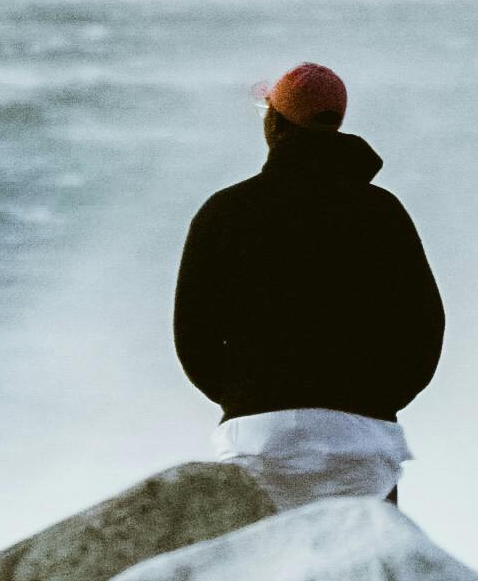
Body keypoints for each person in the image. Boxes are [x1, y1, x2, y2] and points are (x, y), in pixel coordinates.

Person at [171, 61, 443, 510]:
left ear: (274, 123)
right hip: (361, 439)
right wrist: (374, 400)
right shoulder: (382, 212)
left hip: (257, 438)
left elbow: (192, 337)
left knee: (264, 574)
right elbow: (424, 327)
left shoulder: (225, 211)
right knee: (358, 573)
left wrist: (249, 396)